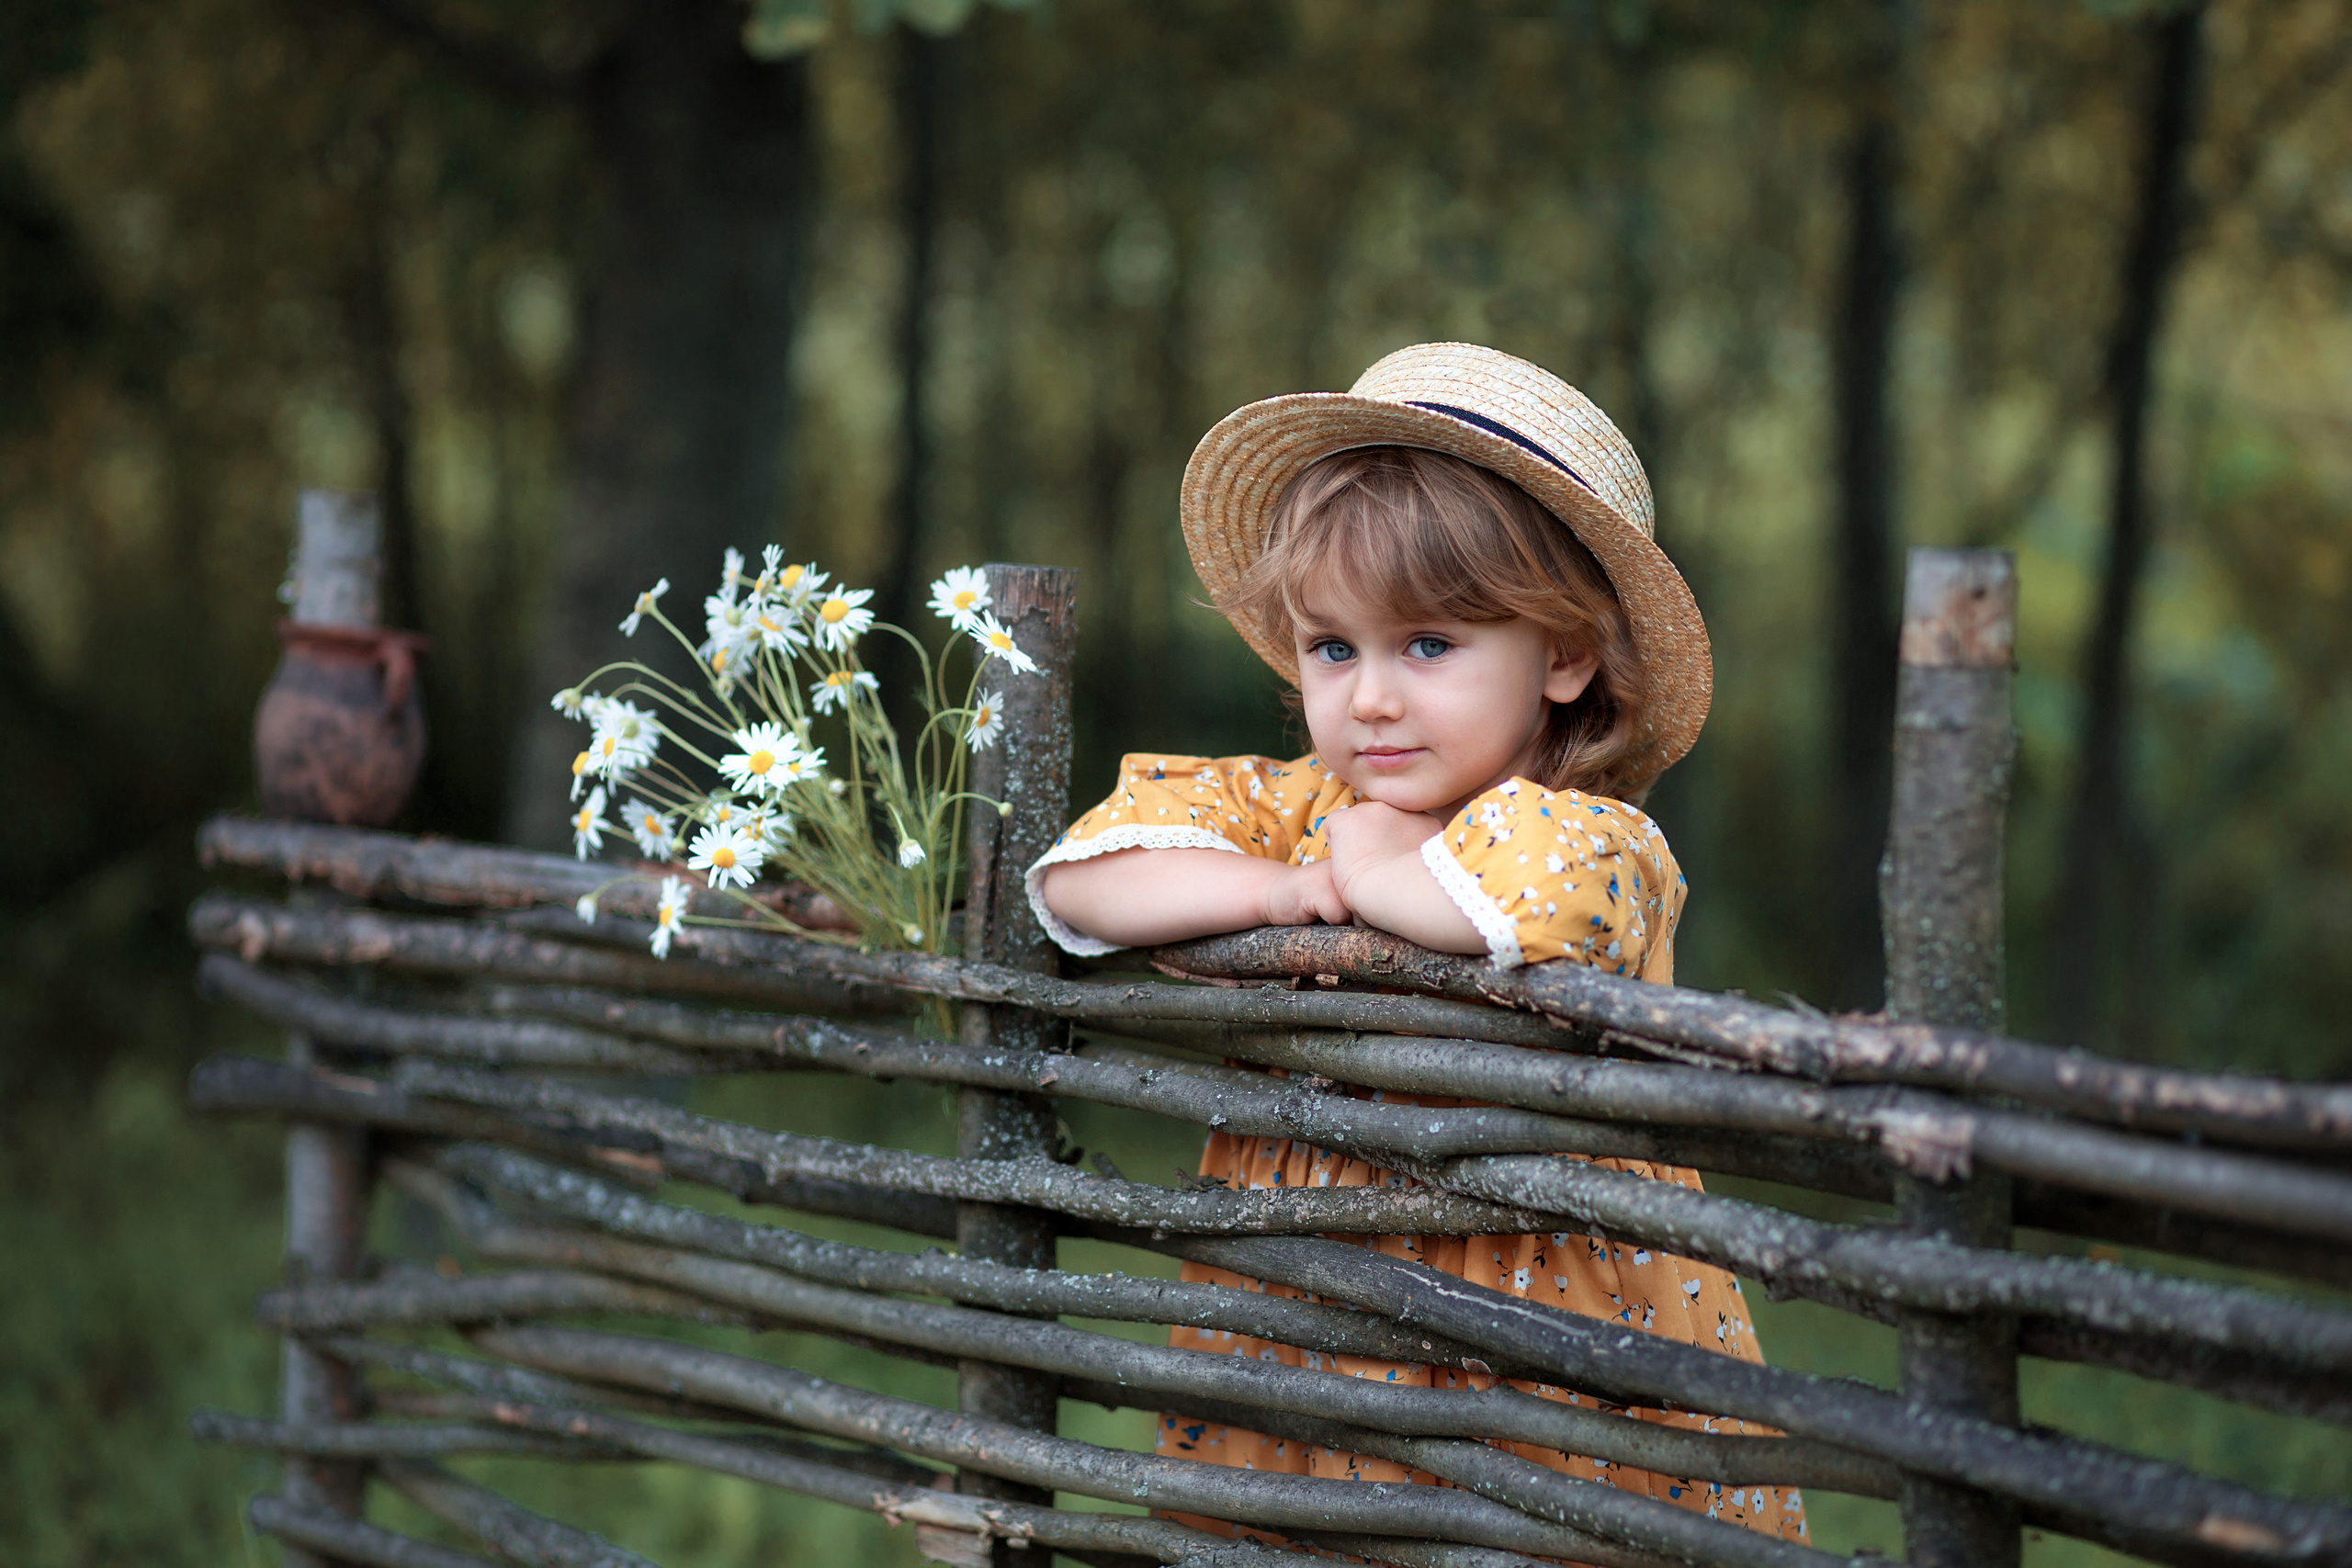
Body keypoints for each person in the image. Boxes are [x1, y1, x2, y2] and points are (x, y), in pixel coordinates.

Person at [1028, 343, 1809, 1551]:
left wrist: (1374, 862)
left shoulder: (1600, 837)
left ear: (1564, 656)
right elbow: (1093, 878)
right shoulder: (1294, 814)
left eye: (1429, 646)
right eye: (1333, 648)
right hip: (1302, 1299)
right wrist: (1283, 887)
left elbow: (1490, 907)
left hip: (1533, 1319)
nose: (1372, 699)